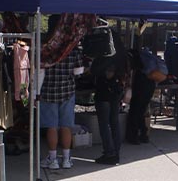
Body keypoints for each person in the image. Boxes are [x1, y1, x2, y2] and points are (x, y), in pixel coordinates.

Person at [40, 15, 85, 170]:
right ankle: (66, 159)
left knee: (51, 126)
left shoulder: (45, 47)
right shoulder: (71, 47)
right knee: (66, 126)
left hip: (48, 91)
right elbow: (79, 71)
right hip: (67, 91)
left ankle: (53, 159)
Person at [90, 30, 129, 165]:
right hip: (117, 91)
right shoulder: (122, 54)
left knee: (104, 125)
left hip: (104, 92)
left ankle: (109, 152)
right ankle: (115, 152)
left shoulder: (106, 53)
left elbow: (95, 70)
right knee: (114, 122)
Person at [125, 47, 165, 145]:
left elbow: (131, 73)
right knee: (141, 111)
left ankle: (133, 137)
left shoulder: (134, 60)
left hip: (141, 86)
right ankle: (144, 135)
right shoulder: (146, 59)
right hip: (150, 86)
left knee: (134, 111)